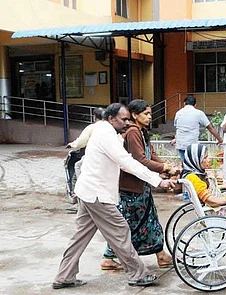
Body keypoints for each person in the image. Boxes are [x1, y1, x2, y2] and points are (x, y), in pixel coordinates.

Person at [52, 103, 175, 290]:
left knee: (80, 237)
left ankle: (64, 276)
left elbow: (126, 163)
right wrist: (157, 180)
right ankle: (138, 274)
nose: (127, 122)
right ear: (111, 119)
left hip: (88, 192)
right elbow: (127, 162)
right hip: (97, 195)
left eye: (128, 119)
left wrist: (156, 177)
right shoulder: (106, 135)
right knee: (120, 231)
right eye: (123, 119)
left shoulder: (106, 131)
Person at [100, 100, 178, 271]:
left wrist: (166, 166)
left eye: (150, 114)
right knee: (129, 225)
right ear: (135, 115)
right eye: (146, 114)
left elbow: (152, 154)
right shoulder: (133, 132)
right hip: (131, 189)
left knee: (148, 222)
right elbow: (140, 159)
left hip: (141, 186)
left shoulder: (142, 132)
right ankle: (109, 257)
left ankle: (161, 255)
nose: (150, 117)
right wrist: (164, 168)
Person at [172, 95, 223, 161]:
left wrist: (176, 139)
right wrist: (219, 139)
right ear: (195, 105)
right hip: (192, 145)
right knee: (194, 165)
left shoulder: (178, 113)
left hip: (181, 144)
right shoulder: (199, 113)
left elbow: (179, 128)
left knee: (185, 165)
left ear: (184, 103)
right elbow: (210, 128)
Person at [66, 107, 105, 190]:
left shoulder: (92, 127)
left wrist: (72, 145)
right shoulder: (109, 127)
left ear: (94, 117)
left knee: (77, 166)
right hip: (107, 156)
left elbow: (81, 141)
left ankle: (82, 187)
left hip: (95, 155)